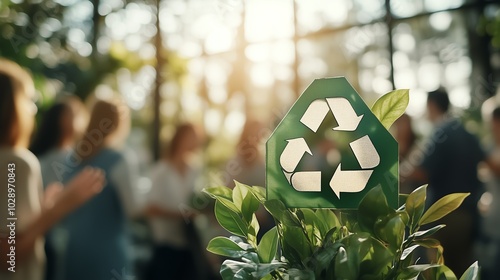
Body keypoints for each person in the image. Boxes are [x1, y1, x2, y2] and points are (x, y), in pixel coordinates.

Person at [0, 59, 105, 280]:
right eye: (29, 100)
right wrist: (59, 208)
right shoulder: (16, 162)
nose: (33, 109)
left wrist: (44, 206)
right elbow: (8, 257)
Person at [58, 98, 140, 280]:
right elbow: (134, 209)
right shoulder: (120, 159)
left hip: (75, 251)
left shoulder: (73, 158)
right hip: (108, 255)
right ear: (120, 123)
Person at [407, 89, 487, 276]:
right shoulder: (467, 133)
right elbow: (488, 161)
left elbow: (421, 172)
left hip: (444, 217)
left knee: (439, 272)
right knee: (464, 270)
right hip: (469, 215)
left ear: (432, 106)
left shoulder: (438, 134)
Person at [29, 97, 87, 280]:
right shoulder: (67, 159)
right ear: (63, 120)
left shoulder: (44, 156)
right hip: (51, 237)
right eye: (75, 115)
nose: (81, 120)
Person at [145, 123, 207, 280]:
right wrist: (180, 215)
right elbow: (150, 208)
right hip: (166, 247)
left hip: (190, 245)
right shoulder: (161, 171)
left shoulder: (195, 170)